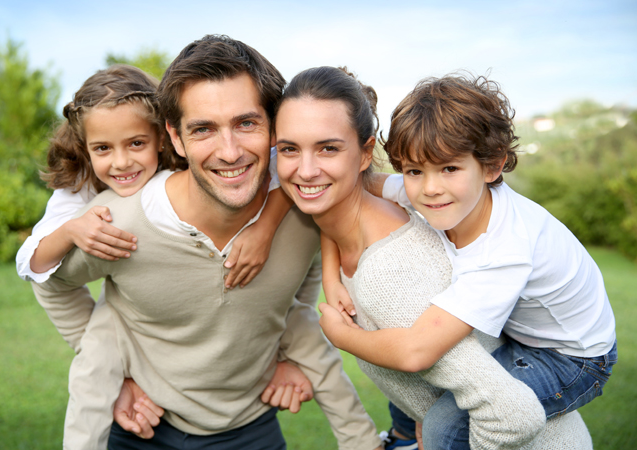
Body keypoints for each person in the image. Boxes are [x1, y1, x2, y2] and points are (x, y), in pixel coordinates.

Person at [31, 35, 383, 450]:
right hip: (141, 427)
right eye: (203, 129)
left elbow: (301, 278)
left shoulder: (306, 208)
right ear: (175, 139)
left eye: (246, 123)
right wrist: (116, 373)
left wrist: (288, 356)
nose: (229, 151)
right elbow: (50, 282)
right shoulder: (118, 221)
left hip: (250, 427)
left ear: (275, 127)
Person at [320, 73, 617, 449]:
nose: (429, 188)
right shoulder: (433, 192)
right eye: (414, 170)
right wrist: (331, 278)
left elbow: (416, 351)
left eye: (450, 168)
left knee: (445, 425)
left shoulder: (503, 251)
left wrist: (344, 337)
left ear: (492, 166)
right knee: (427, 385)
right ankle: (403, 435)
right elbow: (344, 196)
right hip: (522, 330)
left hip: (572, 357)